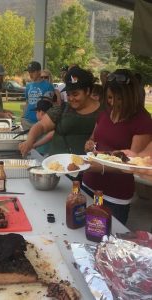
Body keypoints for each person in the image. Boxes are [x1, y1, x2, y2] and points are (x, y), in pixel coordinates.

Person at [83, 69, 152, 225]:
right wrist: (90, 145)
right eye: (109, 97)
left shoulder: (143, 121)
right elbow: (94, 138)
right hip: (89, 184)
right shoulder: (104, 113)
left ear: (131, 96)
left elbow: (132, 163)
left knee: (106, 240)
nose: (113, 103)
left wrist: (98, 166)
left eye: (119, 98)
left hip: (114, 195)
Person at [19, 66, 101, 157]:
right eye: (68, 94)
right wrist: (30, 141)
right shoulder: (62, 109)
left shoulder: (104, 113)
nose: (71, 98)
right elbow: (41, 125)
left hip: (87, 167)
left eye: (75, 94)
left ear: (88, 91)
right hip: (56, 166)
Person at [20, 61, 54, 130]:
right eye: (29, 72)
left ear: (39, 71)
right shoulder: (28, 86)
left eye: (32, 72)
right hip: (27, 121)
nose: (30, 74)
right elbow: (27, 102)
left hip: (40, 122)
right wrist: (23, 117)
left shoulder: (48, 86)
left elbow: (47, 105)